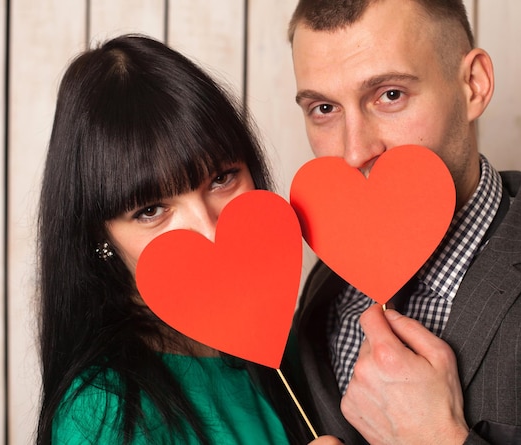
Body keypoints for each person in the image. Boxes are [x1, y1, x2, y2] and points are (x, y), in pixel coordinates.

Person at [286, 0, 521, 444]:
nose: (354, 152)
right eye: (324, 109)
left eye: (390, 95)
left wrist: (439, 437)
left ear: (473, 85)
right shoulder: (325, 283)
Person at [36, 34, 342, 445]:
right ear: (99, 235)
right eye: (150, 211)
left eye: (222, 178)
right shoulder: (104, 414)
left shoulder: (281, 342)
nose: (210, 230)